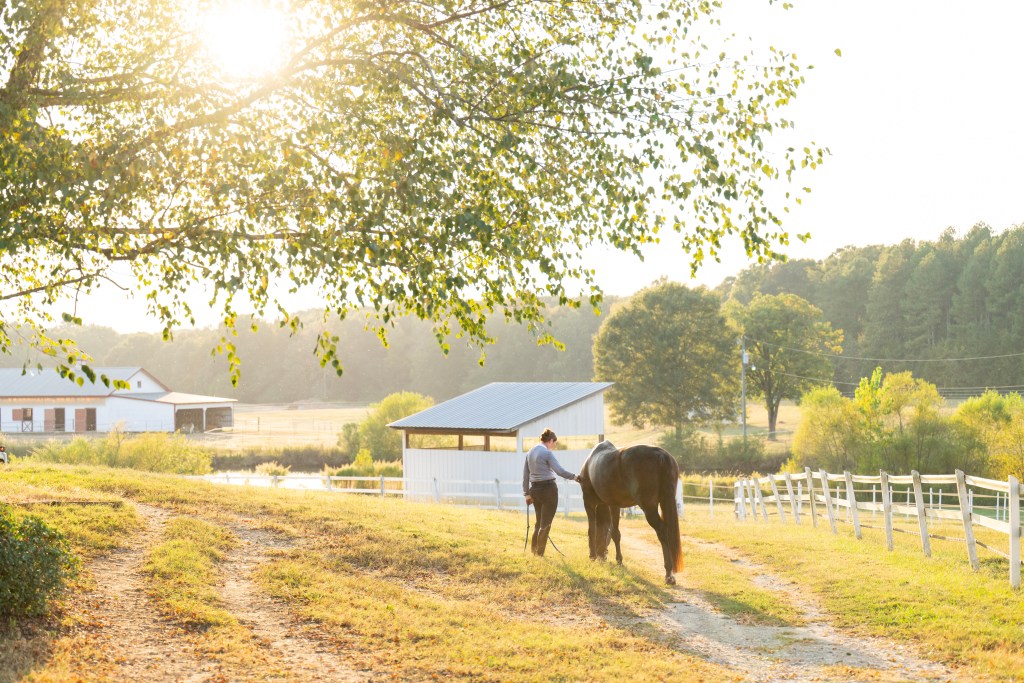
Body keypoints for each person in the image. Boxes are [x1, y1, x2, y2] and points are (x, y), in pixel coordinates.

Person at [522, 428, 579, 556]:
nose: (554, 446)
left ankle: (534, 551)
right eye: (554, 443)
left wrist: (526, 494)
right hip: (548, 490)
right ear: (551, 440)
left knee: (538, 522)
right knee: (546, 523)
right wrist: (575, 477)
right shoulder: (547, 453)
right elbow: (559, 471)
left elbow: (525, 476)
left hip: (535, 490)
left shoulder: (530, 452)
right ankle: (540, 554)